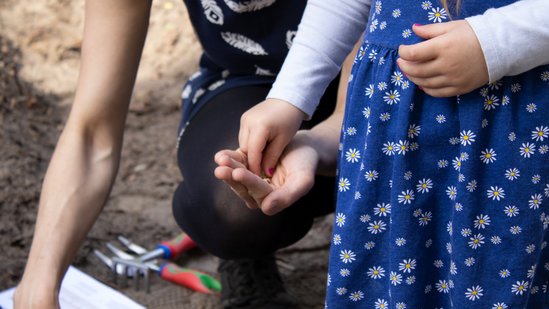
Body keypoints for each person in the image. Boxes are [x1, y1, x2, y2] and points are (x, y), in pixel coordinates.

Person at [13, 0, 357, 308]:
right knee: (234, 197)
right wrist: (38, 282)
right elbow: (91, 133)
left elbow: (352, 107)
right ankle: (246, 254)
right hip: (248, 85)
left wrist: (312, 143)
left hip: (372, 85)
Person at [215, 0, 549, 307]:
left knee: (496, 267)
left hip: (516, 129)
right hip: (397, 128)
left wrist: (496, 40)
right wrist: (289, 96)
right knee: (394, 264)